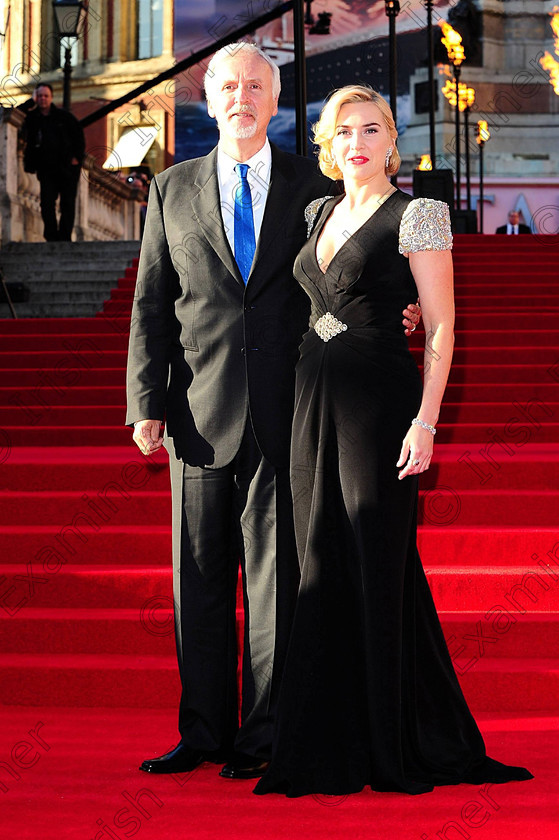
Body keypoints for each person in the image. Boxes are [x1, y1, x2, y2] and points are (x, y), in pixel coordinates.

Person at [126, 45, 421, 782]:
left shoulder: (311, 189)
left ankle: (263, 732)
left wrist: (393, 316)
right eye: (228, 85)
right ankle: (200, 732)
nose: (241, 97)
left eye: (255, 85)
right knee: (196, 579)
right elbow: (151, 303)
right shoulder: (170, 188)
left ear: (275, 96)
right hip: (195, 412)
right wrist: (144, 403)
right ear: (207, 95)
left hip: (292, 412)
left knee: (275, 583)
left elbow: (344, 279)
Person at [254, 85, 533, 797]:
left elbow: (437, 324)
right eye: (343, 130)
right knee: (316, 559)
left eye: (371, 128)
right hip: (309, 402)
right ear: (325, 141)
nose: (357, 141)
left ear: (391, 140)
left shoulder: (420, 214)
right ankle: (323, 736)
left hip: (379, 404)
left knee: (375, 563)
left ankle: (389, 740)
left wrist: (427, 420)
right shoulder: (317, 211)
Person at [22, 83, 85, 241]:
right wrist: (30, 102)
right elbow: (15, 113)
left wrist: (77, 158)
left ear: (51, 98)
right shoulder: (32, 118)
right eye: (39, 96)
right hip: (46, 168)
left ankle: (64, 237)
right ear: (36, 97)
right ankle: (51, 236)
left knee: (67, 203)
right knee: (47, 204)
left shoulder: (65, 117)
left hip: (67, 168)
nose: (42, 99)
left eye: (45, 96)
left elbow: (78, 137)